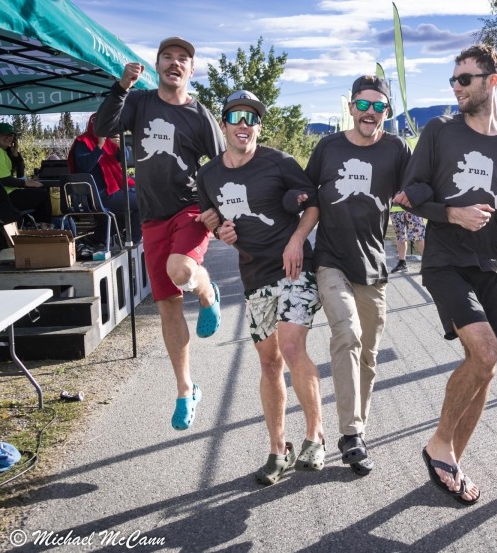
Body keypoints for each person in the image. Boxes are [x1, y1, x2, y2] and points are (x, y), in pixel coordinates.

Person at [394, 44, 497, 504]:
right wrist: (451, 214)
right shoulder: (439, 131)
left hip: (491, 265)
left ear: (492, 81)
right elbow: (412, 193)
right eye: (453, 79)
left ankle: (451, 458)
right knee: (486, 349)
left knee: (486, 368)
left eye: (465, 79)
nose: (456, 87)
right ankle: (438, 442)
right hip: (445, 261)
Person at [94, 37, 225, 431]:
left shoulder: (199, 114)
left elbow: (220, 165)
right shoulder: (140, 102)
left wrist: (218, 208)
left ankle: (207, 292)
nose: (175, 62)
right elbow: (103, 128)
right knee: (167, 304)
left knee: (180, 270)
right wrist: (121, 87)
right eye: (167, 57)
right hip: (151, 215)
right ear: (157, 66)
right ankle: (186, 390)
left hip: (189, 209)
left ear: (190, 69)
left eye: (183, 58)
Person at [197, 90, 325, 484]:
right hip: (254, 277)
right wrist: (220, 230)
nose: (243, 123)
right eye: (235, 115)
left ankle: (315, 437)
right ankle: (277, 450)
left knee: (290, 347)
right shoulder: (209, 175)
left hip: (293, 269)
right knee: (269, 363)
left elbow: (314, 204)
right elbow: (210, 218)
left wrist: (297, 239)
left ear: (258, 126)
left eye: (251, 118)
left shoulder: (278, 161)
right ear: (223, 125)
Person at [306, 75, 411, 476]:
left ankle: (358, 430)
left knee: (368, 355)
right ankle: (350, 434)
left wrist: (414, 196)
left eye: (378, 106)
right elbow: (305, 189)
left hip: (373, 264)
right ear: (350, 107)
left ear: (387, 110)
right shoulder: (329, 146)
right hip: (331, 260)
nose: (370, 112)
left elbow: (418, 185)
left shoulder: (396, 149)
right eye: (362, 105)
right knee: (346, 333)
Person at [69, 113, 142, 243]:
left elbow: (122, 160)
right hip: (99, 195)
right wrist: (99, 147)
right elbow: (84, 166)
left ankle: (91, 239)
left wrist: (121, 147)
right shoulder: (83, 141)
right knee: (145, 199)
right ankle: (134, 241)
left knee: (131, 208)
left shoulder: (109, 141)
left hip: (112, 191)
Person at [0, 122, 52, 225]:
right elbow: (3, 180)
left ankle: (31, 226)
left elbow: (20, 174)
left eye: (11, 135)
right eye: (4, 134)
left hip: (7, 194)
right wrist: (25, 183)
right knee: (43, 195)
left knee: (38, 192)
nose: (8, 137)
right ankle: (44, 229)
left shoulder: (4, 152)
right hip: (4, 198)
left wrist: (16, 155)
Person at [389, 204, 425, 273]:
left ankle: (427, 264)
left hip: (413, 208)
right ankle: (402, 263)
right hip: (396, 209)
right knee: (400, 237)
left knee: (419, 236)